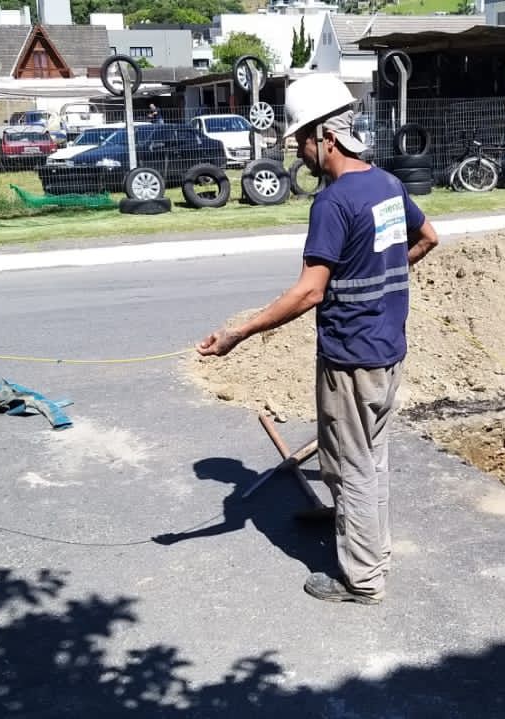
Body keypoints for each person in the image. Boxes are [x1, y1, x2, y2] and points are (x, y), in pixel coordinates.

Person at [197, 74, 439, 605]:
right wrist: (378, 280)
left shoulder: (332, 204)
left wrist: (238, 333)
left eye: (303, 140)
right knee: (370, 460)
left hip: (350, 359)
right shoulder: (388, 185)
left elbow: (309, 293)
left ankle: (361, 580)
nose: (301, 153)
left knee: (352, 466)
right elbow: (428, 239)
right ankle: (376, 553)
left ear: (326, 137)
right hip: (387, 351)